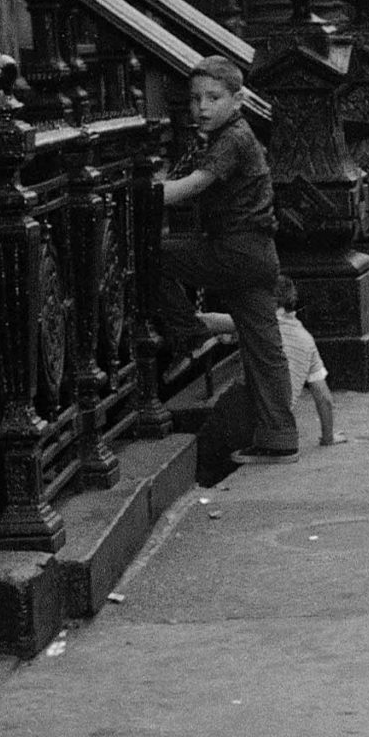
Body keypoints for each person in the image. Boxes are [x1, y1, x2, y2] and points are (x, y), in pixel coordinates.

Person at [157, 57, 297, 460]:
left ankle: (191, 333)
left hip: (233, 251)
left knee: (157, 256)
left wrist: (145, 194)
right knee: (264, 349)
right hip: (256, 255)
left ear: (237, 100)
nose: (201, 107)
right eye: (195, 99)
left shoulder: (233, 139)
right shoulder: (229, 135)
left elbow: (195, 185)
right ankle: (279, 438)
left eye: (213, 98)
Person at [275, 278, 339, 446]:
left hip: (249, 410)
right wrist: (328, 438)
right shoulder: (306, 340)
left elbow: (214, 322)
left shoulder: (260, 325)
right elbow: (324, 398)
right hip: (278, 424)